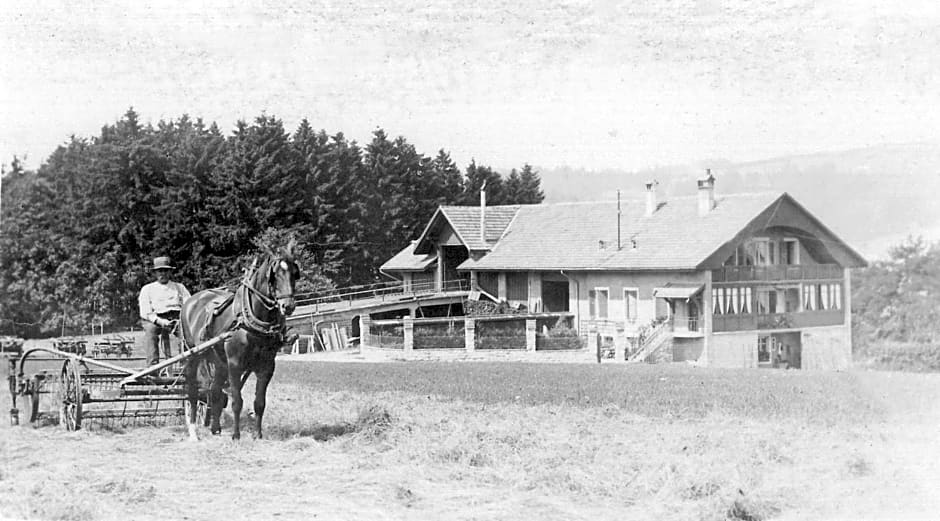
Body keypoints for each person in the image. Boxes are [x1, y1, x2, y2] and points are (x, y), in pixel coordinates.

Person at [138, 256, 191, 366]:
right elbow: (145, 312)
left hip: (177, 318)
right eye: (159, 271)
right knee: (151, 332)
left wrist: (181, 319)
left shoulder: (179, 287)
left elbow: (189, 304)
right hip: (155, 319)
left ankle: (187, 364)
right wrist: (160, 322)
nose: (163, 274)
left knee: (188, 333)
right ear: (155, 273)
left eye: (166, 271)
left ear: (170, 272)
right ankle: (153, 367)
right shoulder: (148, 289)